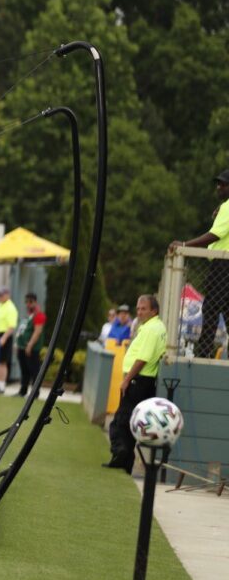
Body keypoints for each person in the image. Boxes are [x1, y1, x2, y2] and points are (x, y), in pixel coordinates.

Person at [170, 169, 229, 358]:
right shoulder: (224, 207)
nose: (218, 187)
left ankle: (203, 354)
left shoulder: (228, 207)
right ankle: (204, 352)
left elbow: (214, 235)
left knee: (211, 308)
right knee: (223, 309)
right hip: (222, 263)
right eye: (218, 183)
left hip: (223, 265)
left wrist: (185, 245)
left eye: (223, 184)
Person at [105, 295, 167, 473]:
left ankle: (121, 455)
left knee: (119, 423)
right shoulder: (157, 326)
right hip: (145, 381)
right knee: (131, 423)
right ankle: (125, 463)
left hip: (137, 380)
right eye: (138, 309)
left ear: (154, 311)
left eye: (144, 309)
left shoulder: (150, 330)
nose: (139, 312)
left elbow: (142, 359)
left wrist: (126, 380)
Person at [14, 292, 46, 397]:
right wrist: (17, 344)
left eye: (30, 302)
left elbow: (37, 331)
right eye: (27, 302)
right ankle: (23, 391)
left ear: (35, 302)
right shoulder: (27, 315)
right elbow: (22, 330)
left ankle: (35, 393)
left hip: (31, 348)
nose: (28, 304)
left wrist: (30, 345)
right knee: (24, 370)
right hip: (22, 347)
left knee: (34, 370)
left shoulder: (39, 315)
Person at [0, 287, 18, 393]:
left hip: (4, 336)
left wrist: (4, 338)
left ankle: (1, 385)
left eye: (1, 295)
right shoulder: (0, 306)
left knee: (2, 362)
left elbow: (11, 326)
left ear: (7, 295)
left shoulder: (10, 307)